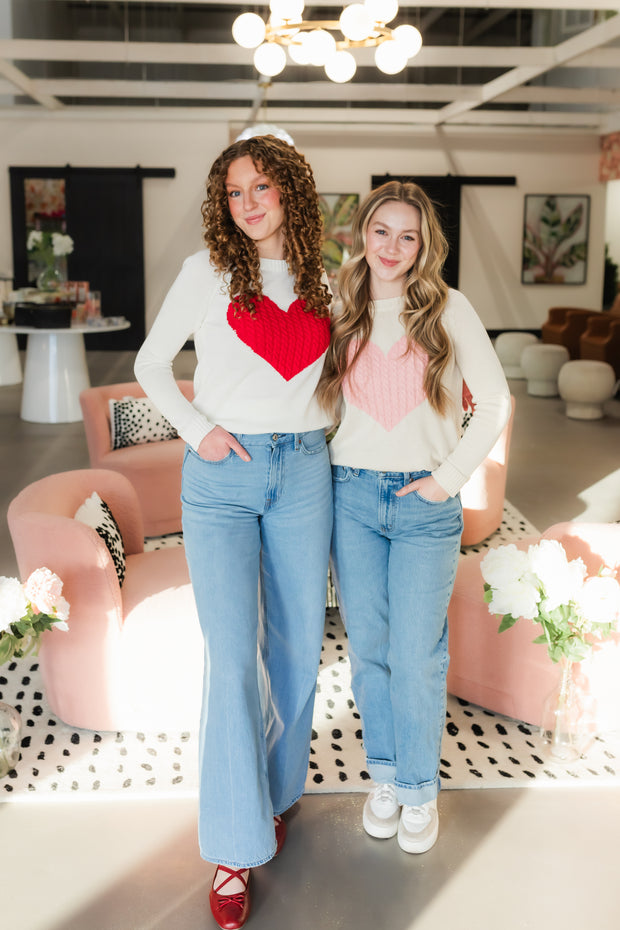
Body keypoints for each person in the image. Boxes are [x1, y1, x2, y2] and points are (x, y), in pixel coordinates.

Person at [134, 134, 333, 930]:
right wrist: (199, 430)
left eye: (263, 187)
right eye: (235, 192)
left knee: (295, 651)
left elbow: (352, 370)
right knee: (230, 653)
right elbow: (152, 364)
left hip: (305, 472)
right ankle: (230, 845)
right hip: (221, 478)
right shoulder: (205, 272)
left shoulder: (327, 278)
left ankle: (276, 797)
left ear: (292, 191)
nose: (249, 203)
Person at [317, 180, 511, 854]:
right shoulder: (341, 305)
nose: (393, 247)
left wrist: (447, 480)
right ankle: (387, 777)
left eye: (409, 235)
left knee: (417, 653)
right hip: (351, 498)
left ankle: (420, 791)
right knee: (369, 648)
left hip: (425, 505)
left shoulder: (449, 308)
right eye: (381, 231)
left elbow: (494, 401)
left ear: (424, 243)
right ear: (361, 234)